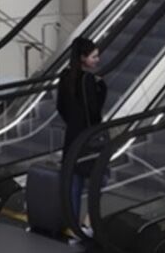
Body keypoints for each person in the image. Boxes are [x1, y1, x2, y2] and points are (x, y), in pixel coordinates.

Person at [55, 38, 106, 236]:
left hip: (72, 137)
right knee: (99, 179)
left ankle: (72, 226)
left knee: (73, 183)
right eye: (94, 56)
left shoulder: (65, 76)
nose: (97, 60)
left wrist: (72, 123)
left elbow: (60, 106)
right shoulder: (89, 80)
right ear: (83, 58)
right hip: (88, 138)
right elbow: (94, 112)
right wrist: (102, 89)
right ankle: (89, 223)